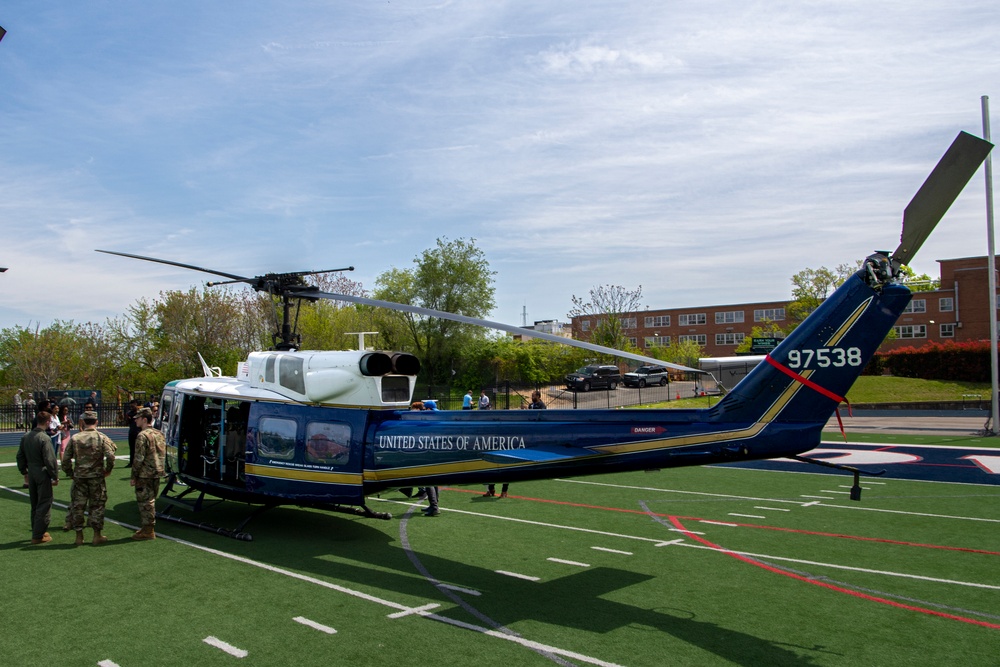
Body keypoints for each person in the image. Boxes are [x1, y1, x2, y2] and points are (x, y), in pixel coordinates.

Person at [61, 411, 116, 546]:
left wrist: (70, 473)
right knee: (97, 505)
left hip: (80, 477)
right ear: (96, 422)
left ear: (84, 422)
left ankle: (79, 536)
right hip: (96, 477)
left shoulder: (75, 438)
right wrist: (107, 470)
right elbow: (110, 456)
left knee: (78, 505)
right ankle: (96, 535)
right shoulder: (101, 437)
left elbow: (65, 459)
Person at [16, 412, 59, 544]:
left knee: (34, 503)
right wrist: (54, 475)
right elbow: (50, 459)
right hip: (41, 471)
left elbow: (20, 456)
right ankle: (38, 534)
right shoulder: (44, 438)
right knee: (44, 503)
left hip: (31, 471)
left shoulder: (26, 436)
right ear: (47, 422)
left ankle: (36, 528)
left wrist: (24, 471)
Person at [130, 407, 165, 540]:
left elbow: (138, 458)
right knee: (150, 501)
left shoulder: (142, 435)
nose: (135, 421)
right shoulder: (159, 433)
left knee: (145, 503)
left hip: (145, 474)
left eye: (137, 418)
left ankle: (148, 530)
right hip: (156, 472)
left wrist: (134, 475)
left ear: (144, 419)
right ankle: (146, 528)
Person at [125, 399, 140, 467]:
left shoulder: (139, 413)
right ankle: (131, 462)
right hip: (132, 432)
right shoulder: (129, 413)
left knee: (139, 448)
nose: (132, 407)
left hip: (138, 432)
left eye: (133, 406)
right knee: (132, 448)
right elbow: (127, 423)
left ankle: (138, 462)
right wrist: (127, 418)